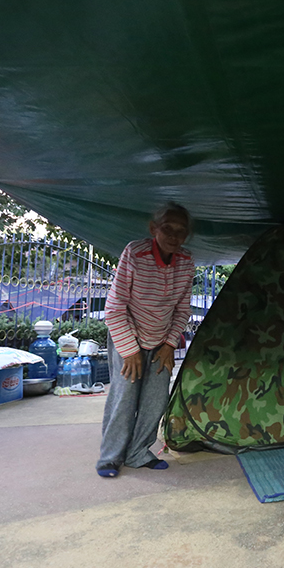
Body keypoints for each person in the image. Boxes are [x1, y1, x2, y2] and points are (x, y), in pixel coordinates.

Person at [96, 202, 196, 478]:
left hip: (161, 341)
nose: (174, 236)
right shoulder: (135, 253)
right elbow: (115, 308)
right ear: (154, 229)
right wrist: (130, 351)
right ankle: (111, 456)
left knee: (156, 399)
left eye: (181, 231)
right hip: (128, 336)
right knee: (125, 396)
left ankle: (139, 452)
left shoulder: (186, 261)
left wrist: (168, 345)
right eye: (167, 229)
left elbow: (182, 310)